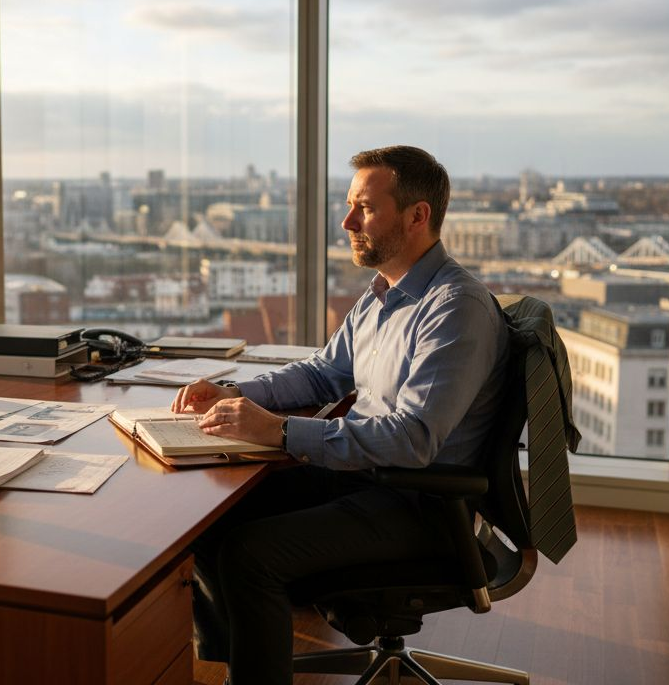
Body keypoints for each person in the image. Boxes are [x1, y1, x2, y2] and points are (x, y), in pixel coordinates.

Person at [171, 145, 509, 685]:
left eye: (365, 209)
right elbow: (321, 373)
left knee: (250, 555)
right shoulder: (382, 293)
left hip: (421, 503)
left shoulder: (455, 308)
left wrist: (279, 432)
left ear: (417, 216)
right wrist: (233, 394)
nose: (346, 221)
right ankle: (230, 670)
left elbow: (414, 440)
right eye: (349, 205)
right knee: (214, 518)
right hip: (366, 477)